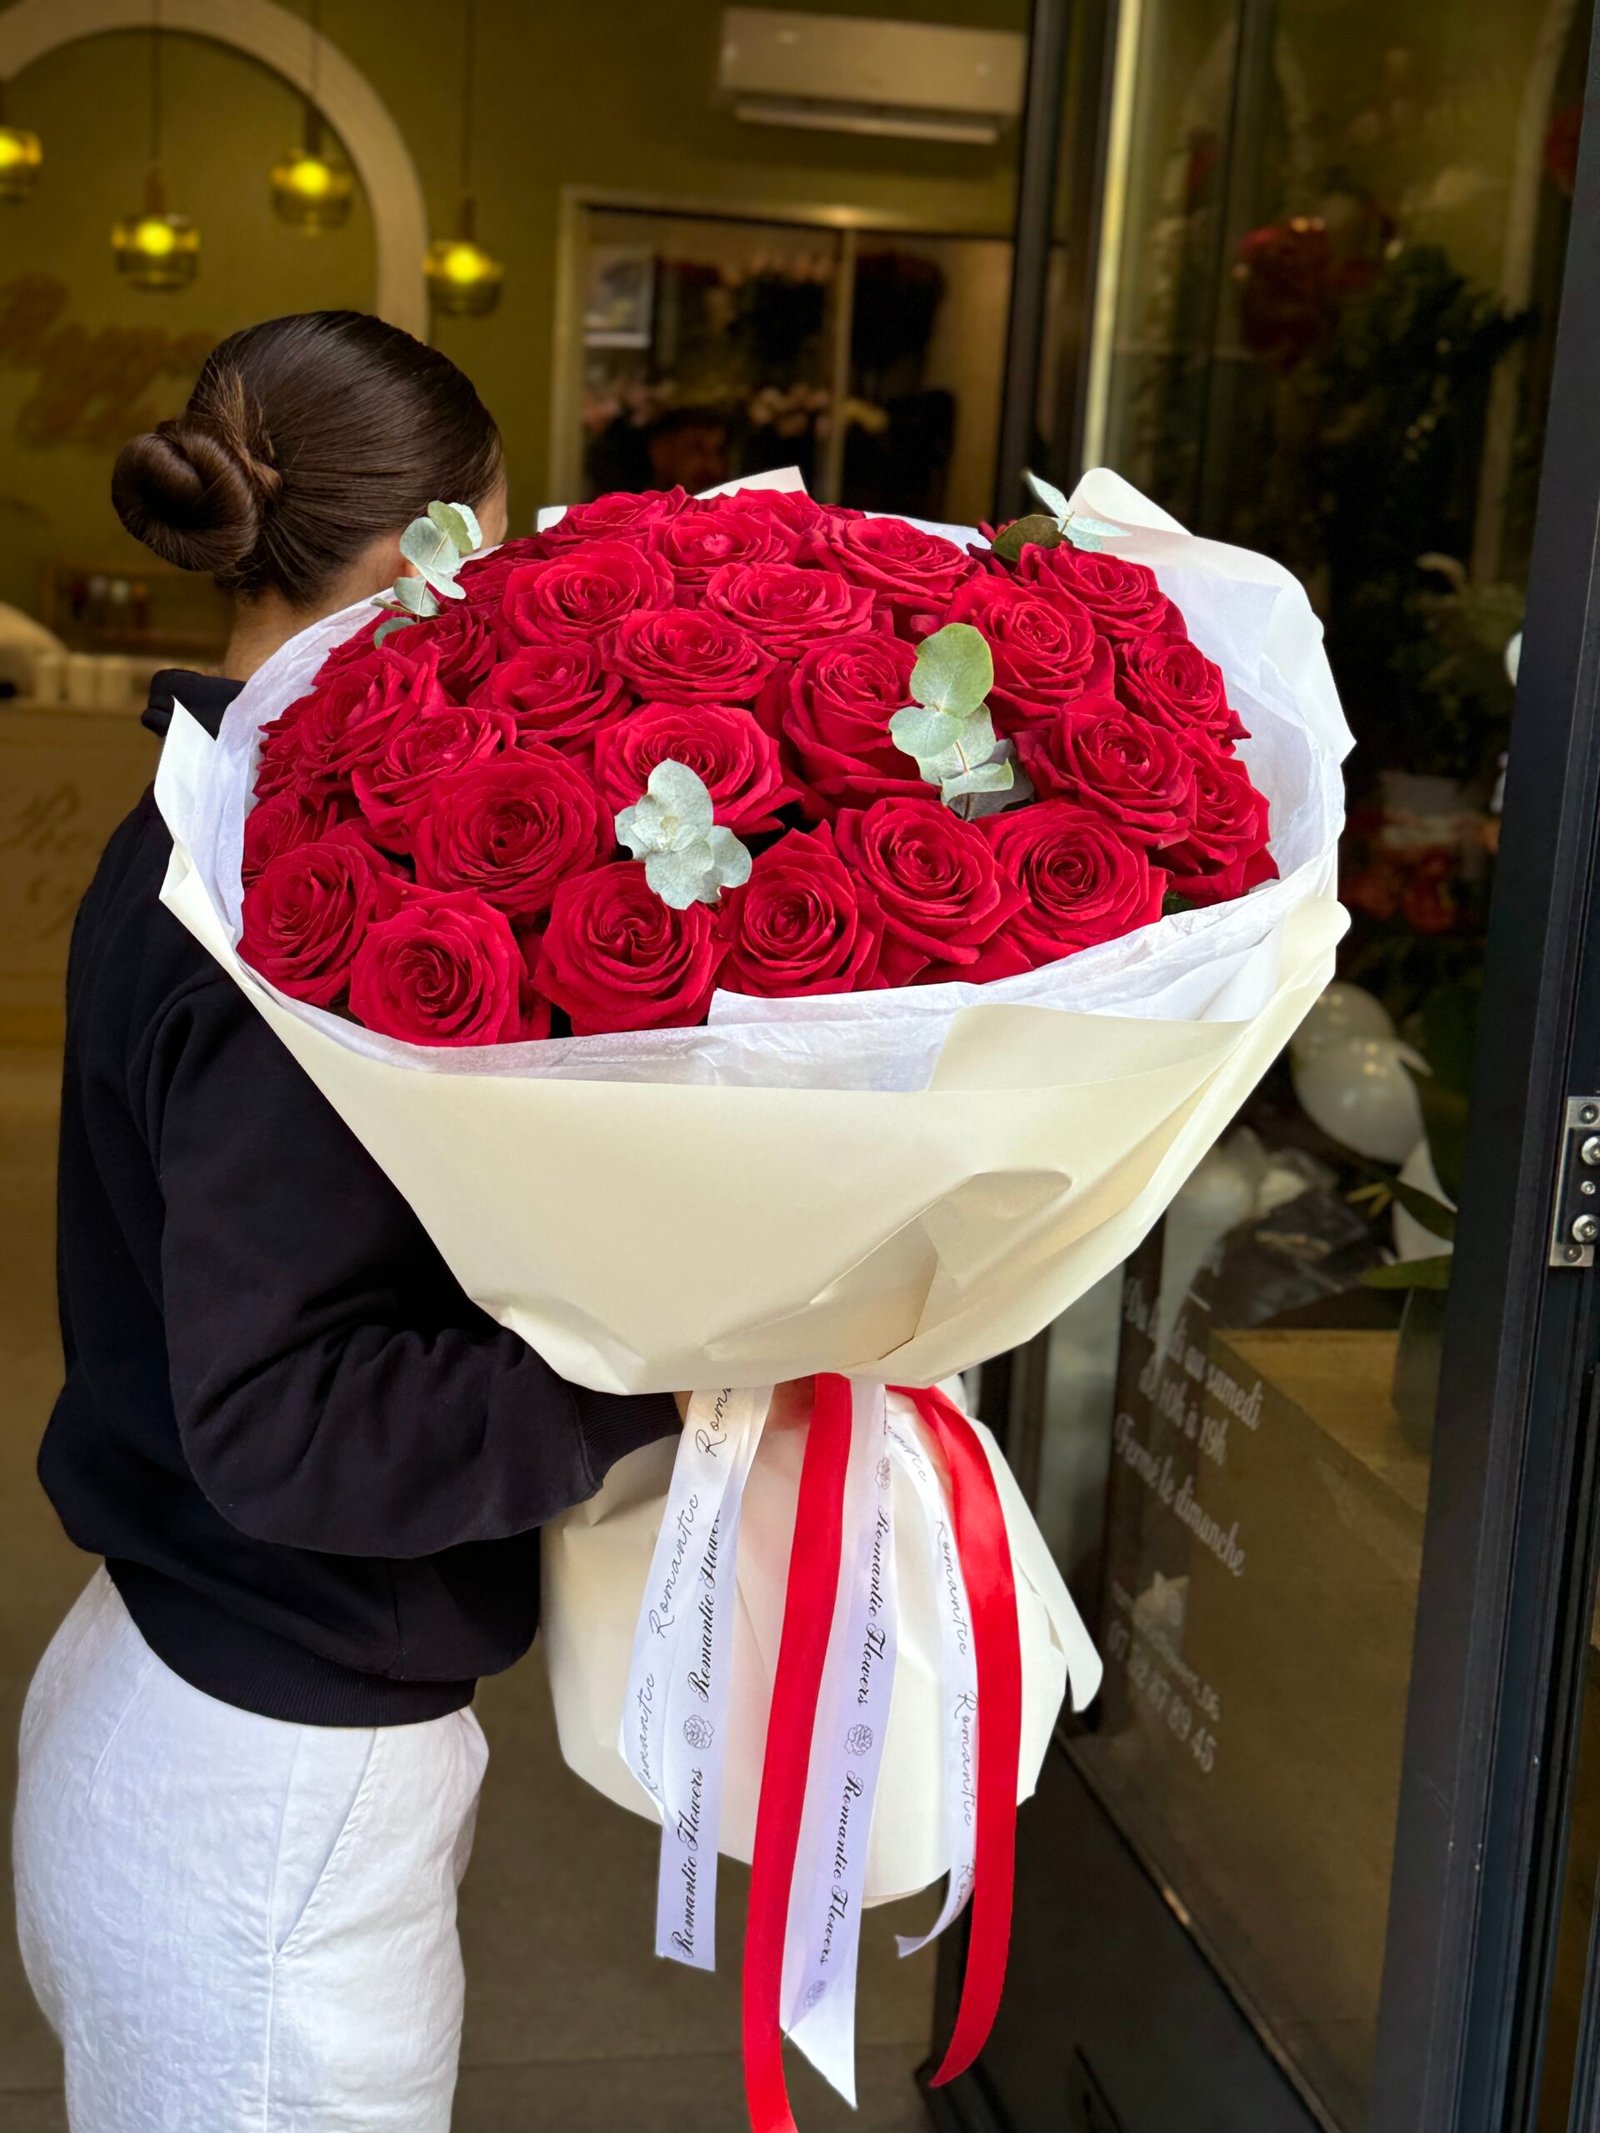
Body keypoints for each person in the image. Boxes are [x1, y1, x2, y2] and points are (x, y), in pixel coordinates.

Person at [11, 311, 682, 2133]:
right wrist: (664, 1375)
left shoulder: (196, 810)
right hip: (261, 1802)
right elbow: (288, 1414)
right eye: (498, 548)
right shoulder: (281, 905)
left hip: (177, 1696)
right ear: (414, 562)